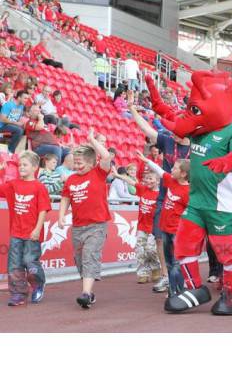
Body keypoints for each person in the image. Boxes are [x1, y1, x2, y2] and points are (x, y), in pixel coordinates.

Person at [58, 129, 112, 309]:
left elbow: (105, 156)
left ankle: (86, 294)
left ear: (91, 162)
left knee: (90, 255)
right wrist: (61, 216)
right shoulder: (71, 180)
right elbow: (66, 198)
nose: (76, 167)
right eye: (75, 163)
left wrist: (91, 140)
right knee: (80, 259)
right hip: (78, 226)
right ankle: (89, 291)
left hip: (97, 225)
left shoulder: (99, 173)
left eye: (80, 163)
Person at [0, 150, 51, 306]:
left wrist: (37, 229)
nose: (21, 167)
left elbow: (43, 209)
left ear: (35, 167)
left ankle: (37, 285)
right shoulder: (13, 185)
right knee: (14, 264)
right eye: (20, 164)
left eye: (25, 164)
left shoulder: (39, 187)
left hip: (32, 234)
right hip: (16, 232)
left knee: (30, 261)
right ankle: (18, 294)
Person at [139, 152, 190, 296]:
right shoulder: (171, 181)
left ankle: (176, 290)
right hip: (165, 229)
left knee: (176, 262)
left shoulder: (188, 191)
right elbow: (160, 171)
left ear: (184, 174)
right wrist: (146, 161)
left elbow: (190, 211)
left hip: (177, 232)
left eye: (175, 168)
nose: (171, 169)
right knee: (168, 262)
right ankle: (174, 286)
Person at [113, 164, 162, 284]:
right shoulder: (143, 189)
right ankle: (143, 273)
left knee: (151, 249)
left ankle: (156, 269)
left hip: (153, 228)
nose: (148, 181)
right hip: (141, 227)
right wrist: (118, 175)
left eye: (151, 179)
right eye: (146, 178)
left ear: (157, 181)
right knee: (140, 250)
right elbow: (131, 181)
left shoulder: (160, 195)